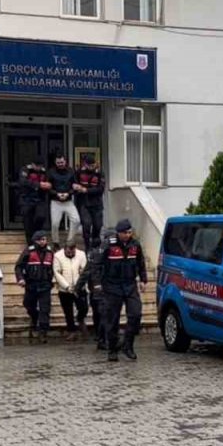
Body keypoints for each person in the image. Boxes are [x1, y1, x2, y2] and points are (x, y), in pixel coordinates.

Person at [100, 219, 147, 361]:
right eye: (124, 233)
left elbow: (141, 262)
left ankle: (128, 345)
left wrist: (143, 279)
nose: (127, 235)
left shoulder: (135, 244)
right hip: (112, 286)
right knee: (112, 320)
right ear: (118, 233)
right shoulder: (109, 244)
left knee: (135, 314)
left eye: (129, 232)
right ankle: (112, 349)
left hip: (130, 285)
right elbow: (98, 264)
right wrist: (97, 284)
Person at [15, 231, 55, 343]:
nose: (43, 242)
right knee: (28, 304)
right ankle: (34, 317)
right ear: (36, 240)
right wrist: (21, 278)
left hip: (45, 285)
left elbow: (54, 267)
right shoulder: (28, 251)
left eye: (45, 239)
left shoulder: (50, 252)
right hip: (31, 284)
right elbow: (18, 267)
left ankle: (43, 332)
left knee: (45, 309)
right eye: (41, 240)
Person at [82, 227, 115, 350]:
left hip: (112, 288)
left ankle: (105, 338)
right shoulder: (98, 253)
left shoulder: (116, 251)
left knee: (107, 315)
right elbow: (90, 271)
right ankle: (103, 339)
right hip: (99, 289)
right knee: (103, 315)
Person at [53, 240, 88, 341]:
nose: (71, 253)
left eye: (73, 252)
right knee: (68, 312)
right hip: (64, 289)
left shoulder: (81, 255)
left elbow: (84, 270)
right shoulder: (57, 256)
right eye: (68, 252)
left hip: (79, 287)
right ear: (65, 249)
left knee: (83, 307)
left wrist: (78, 285)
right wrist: (66, 286)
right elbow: (57, 273)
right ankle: (72, 331)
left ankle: (80, 318)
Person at [11, 162, 51, 245]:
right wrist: (38, 184)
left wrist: (48, 185)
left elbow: (48, 182)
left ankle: (37, 237)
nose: (39, 168)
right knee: (28, 223)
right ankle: (30, 245)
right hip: (26, 200)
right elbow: (23, 182)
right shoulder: (25, 169)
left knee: (41, 217)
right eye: (37, 166)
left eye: (41, 166)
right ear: (33, 165)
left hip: (39, 199)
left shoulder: (44, 171)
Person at [73, 154, 106, 249]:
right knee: (86, 225)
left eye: (93, 165)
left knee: (98, 225)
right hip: (84, 204)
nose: (91, 167)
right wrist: (76, 187)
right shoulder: (79, 172)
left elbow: (101, 189)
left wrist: (86, 190)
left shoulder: (100, 173)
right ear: (85, 164)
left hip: (97, 204)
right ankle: (87, 247)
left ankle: (95, 245)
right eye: (89, 165)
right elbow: (74, 185)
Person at [46, 155, 80, 246]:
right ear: (55, 162)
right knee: (55, 224)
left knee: (76, 220)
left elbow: (75, 185)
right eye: (58, 163)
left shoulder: (71, 171)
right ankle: (56, 242)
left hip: (68, 201)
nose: (60, 164)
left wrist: (69, 193)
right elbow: (47, 187)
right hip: (55, 201)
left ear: (65, 161)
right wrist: (56, 193)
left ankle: (69, 241)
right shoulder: (51, 172)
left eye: (62, 162)